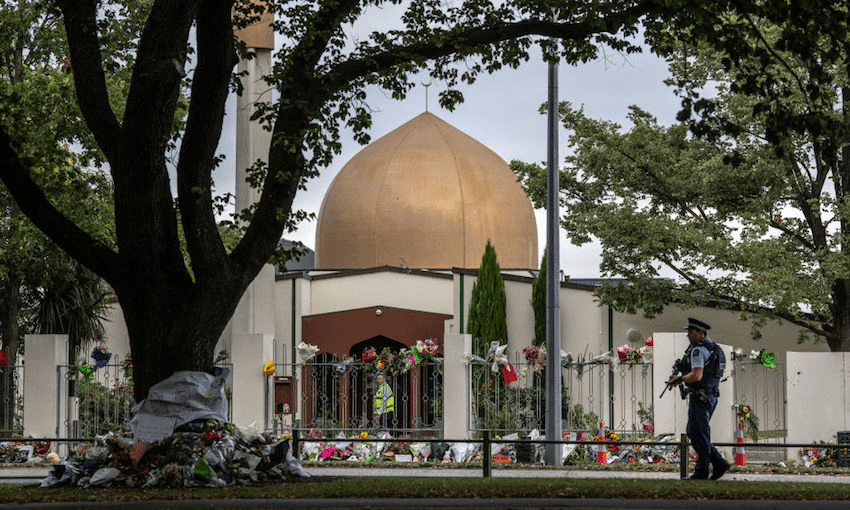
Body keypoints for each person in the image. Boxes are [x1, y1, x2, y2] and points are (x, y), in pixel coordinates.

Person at [667, 317, 731, 480]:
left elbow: (696, 375)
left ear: (699, 332)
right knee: (694, 432)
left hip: (701, 396)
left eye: (690, 331)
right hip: (709, 395)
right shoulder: (713, 348)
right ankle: (718, 463)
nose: (688, 334)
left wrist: (679, 379)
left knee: (699, 434)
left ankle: (702, 472)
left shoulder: (698, 350)